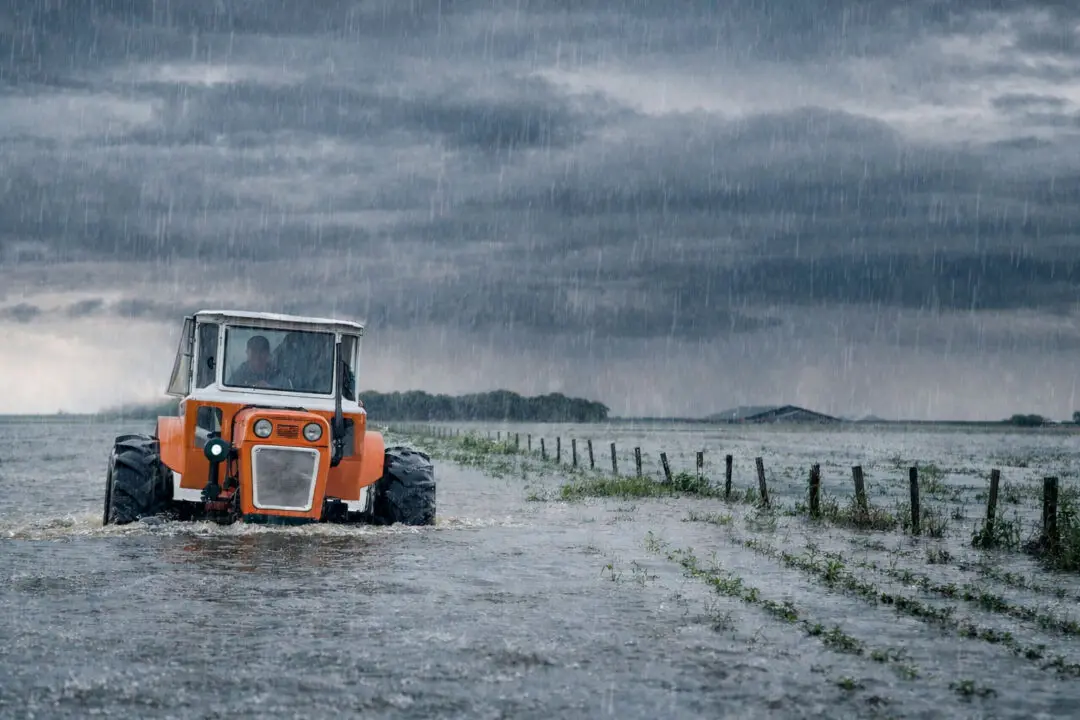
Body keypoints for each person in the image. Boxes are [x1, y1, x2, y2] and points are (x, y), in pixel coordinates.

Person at [227, 335, 291, 389]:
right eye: (254, 352)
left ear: (268, 354)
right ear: (247, 353)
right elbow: (228, 393)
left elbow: (289, 395)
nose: (258, 356)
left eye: (261, 352)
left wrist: (270, 388)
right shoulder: (239, 374)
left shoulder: (277, 374)